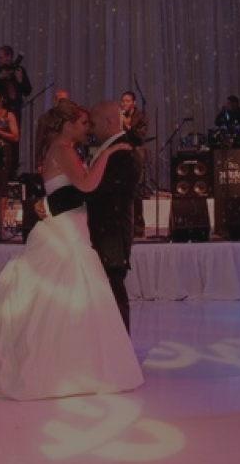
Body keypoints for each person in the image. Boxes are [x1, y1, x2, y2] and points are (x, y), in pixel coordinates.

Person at [0, 101, 142, 400]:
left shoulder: (65, 149)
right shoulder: (64, 150)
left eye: (89, 122)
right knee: (70, 298)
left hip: (73, 229)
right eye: (83, 123)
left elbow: (83, 189)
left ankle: (80, 363)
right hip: (67, 232)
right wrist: (106, 154)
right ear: (67, 125)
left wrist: (52, 201)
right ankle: (67, 367)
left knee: (78, 299)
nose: (87, 128)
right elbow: (87, 186)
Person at [84, 100, 143, 331]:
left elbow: (98, 191)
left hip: (111, 236)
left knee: (113, 294)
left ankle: (120, 354)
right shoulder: (115, 148)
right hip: (104, 233)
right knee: (107, 295)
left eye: (93, 123)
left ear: (109, 122)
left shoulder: (123, 152)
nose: (89, 128)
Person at [0, 45, 31, 112]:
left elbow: (27, 92)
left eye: (0, 58)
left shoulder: (19, 70)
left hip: (14, 109)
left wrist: (20, 80)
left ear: (9, 57)